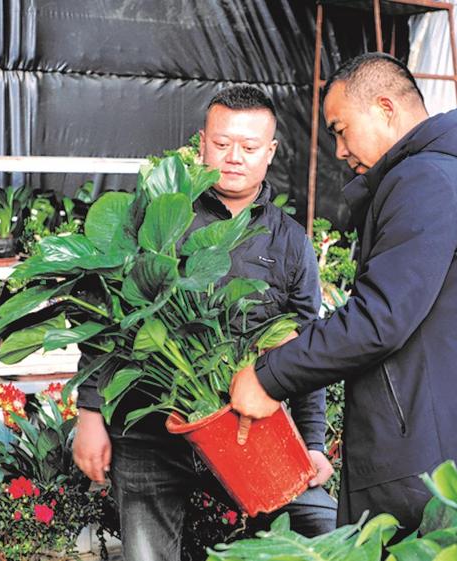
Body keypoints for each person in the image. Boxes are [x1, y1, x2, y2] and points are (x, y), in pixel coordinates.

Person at [229, 53, 457, 532]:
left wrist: (269, 376)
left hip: (435, 466)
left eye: (341, 130)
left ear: (385, 108)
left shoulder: (426, 180)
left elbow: (379, 318)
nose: (339, 150)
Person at [73, 85, 338, 560]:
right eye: (221, 143)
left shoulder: (290, 241)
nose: (234, 157)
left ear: (271, 151)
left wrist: (313, 443)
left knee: (327, 530)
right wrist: (90, 414)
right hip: (150, 429)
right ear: (201, 143)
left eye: (249, 146)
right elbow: (107, 318)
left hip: (249, 429)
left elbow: (306, 350)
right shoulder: (159, 214)